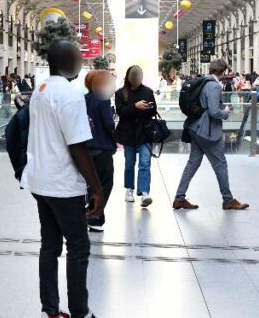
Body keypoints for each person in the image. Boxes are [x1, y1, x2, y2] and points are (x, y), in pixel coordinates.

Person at [21, 40, 103, 318]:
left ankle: (50, 310)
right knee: (79, 247)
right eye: (79, 58)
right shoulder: (69, 94)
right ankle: (80, 311)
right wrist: (97, 188)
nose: (81, 62)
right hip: (62, 184)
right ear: (68, 62)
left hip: (40, 180)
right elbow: (78, 146)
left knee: (50, 246)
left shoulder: (41, 89)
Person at [173, 59, 248, 211]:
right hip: (208, 132)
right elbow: (214, 112)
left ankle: (179, 198)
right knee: (220, 164)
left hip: (195, 127)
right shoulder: (214, 86)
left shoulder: (203, 82)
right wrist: (226, 112)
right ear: (223, 72)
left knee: (192, 163)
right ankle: (228, 200)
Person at [114, 65, 157, 207]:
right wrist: (135, 106)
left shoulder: (148, 91)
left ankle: (144, 192)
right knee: (129, 164)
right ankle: (129, 189)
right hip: (128, 133)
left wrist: (147, 107)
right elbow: (121, 112)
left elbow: (153, 111)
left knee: (145, 163)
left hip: (145, 132)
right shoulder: (121, 93)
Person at [84, 70, 117, 231]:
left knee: (91, 182)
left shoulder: (84, 99)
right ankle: (94, 217)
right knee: (105, 182)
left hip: (85, 148)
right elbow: (109, 125)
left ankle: (92, 213)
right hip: (101, 146)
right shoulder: (103, 99)